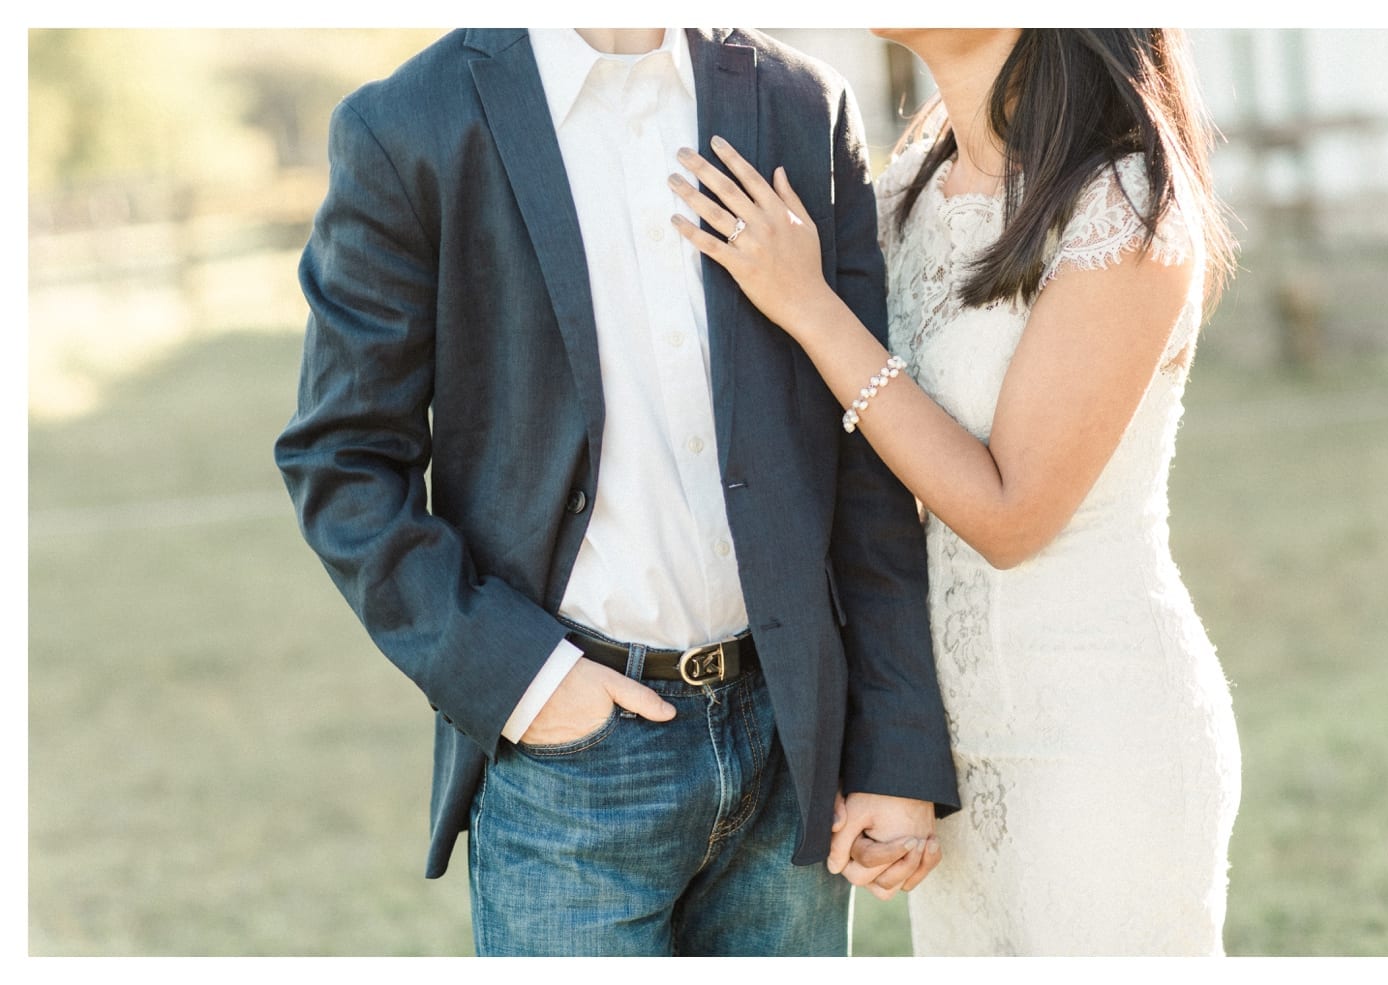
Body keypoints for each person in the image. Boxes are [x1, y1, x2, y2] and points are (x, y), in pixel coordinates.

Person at [274, 27, 959, 957]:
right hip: (570, 770)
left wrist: (892, 749)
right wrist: (527, 680)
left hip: (788, 751)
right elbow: (342, 457)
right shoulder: (411, 127)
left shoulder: (803, 104)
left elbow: (863, 455)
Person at [670, 28, 1243, 955]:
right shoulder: (904, 188)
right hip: (949, 759)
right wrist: (886, 747)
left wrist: (810, 304)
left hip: (1098, 740)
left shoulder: (1125, 202)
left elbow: (1010, 514)